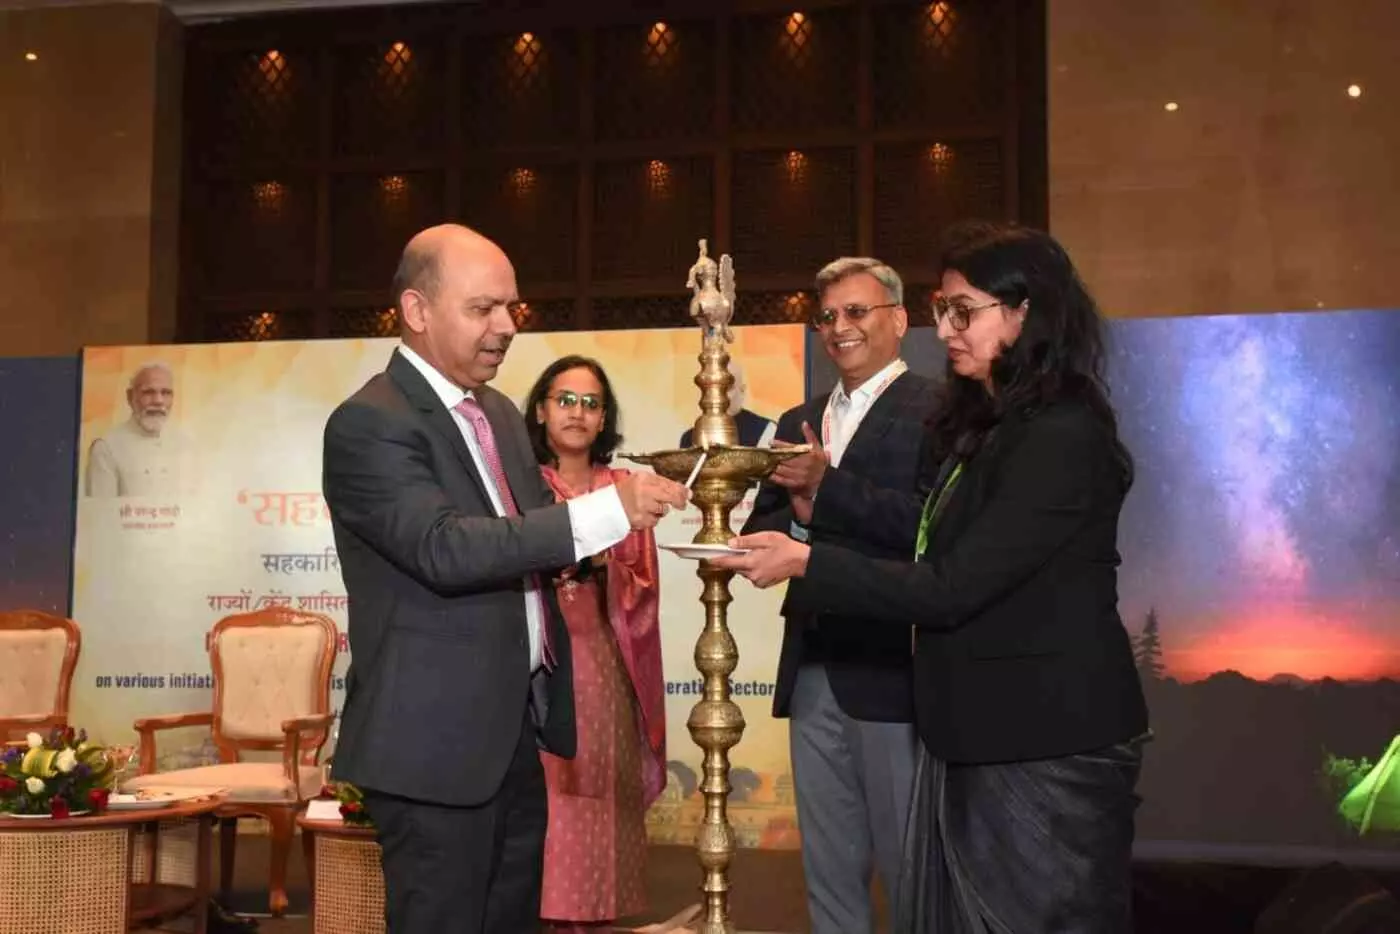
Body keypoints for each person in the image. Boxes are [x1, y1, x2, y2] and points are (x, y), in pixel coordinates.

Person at [713, 221, 1150, 933]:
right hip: (983, 729)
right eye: (943, 309)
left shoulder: (1059, 434)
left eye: (963, 312)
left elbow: (951, 585)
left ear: (1026, 311)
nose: (944, 330)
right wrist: (802, 530)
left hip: (1044, 742)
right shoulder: (992, 423)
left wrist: (809, 558)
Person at [321, 224, 689, 934]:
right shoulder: (370, 422)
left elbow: (532, 533)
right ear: (417, 310)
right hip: (431, 747)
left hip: (513, 734)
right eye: (483, 308)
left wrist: (625, 516)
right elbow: (444, 549)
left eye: (511, 307)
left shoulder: (495, 413)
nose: (507, 326)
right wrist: (607, 511)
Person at [740, 257, 937, 933]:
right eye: (826, 316)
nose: (839, 327)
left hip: (895, 670)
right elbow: (762, 525)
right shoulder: (798, 418)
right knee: (828, 873)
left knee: (911, 872)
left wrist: (827, 489)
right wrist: (799, 516)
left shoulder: (939, 410)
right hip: (813, 669)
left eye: (857, 311)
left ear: (899, 320)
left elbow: (931, 530)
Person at [523, 355, 666, 932]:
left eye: (591, 403)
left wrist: (605, 564)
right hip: (543, 669)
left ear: (604, 417)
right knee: (551, 798)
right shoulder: (524, 486)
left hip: (608, 665)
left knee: (602, 796)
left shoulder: (624, 489)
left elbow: (644, 586)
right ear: (541, 409)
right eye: (565, 400)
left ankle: (593, 920)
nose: (577, 413)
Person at [85, 362, 183, 497]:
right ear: (130, 397)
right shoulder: (107, 448)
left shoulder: (186, 446)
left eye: (166, 393)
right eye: (148, 392)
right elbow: (101, 509)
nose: (158, 401)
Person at [678, 359, 777, 449]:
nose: (719, 395)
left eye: (728, 388)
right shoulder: (689, 438)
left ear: (742, 391)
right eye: (711, 388)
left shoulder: (766, 430)